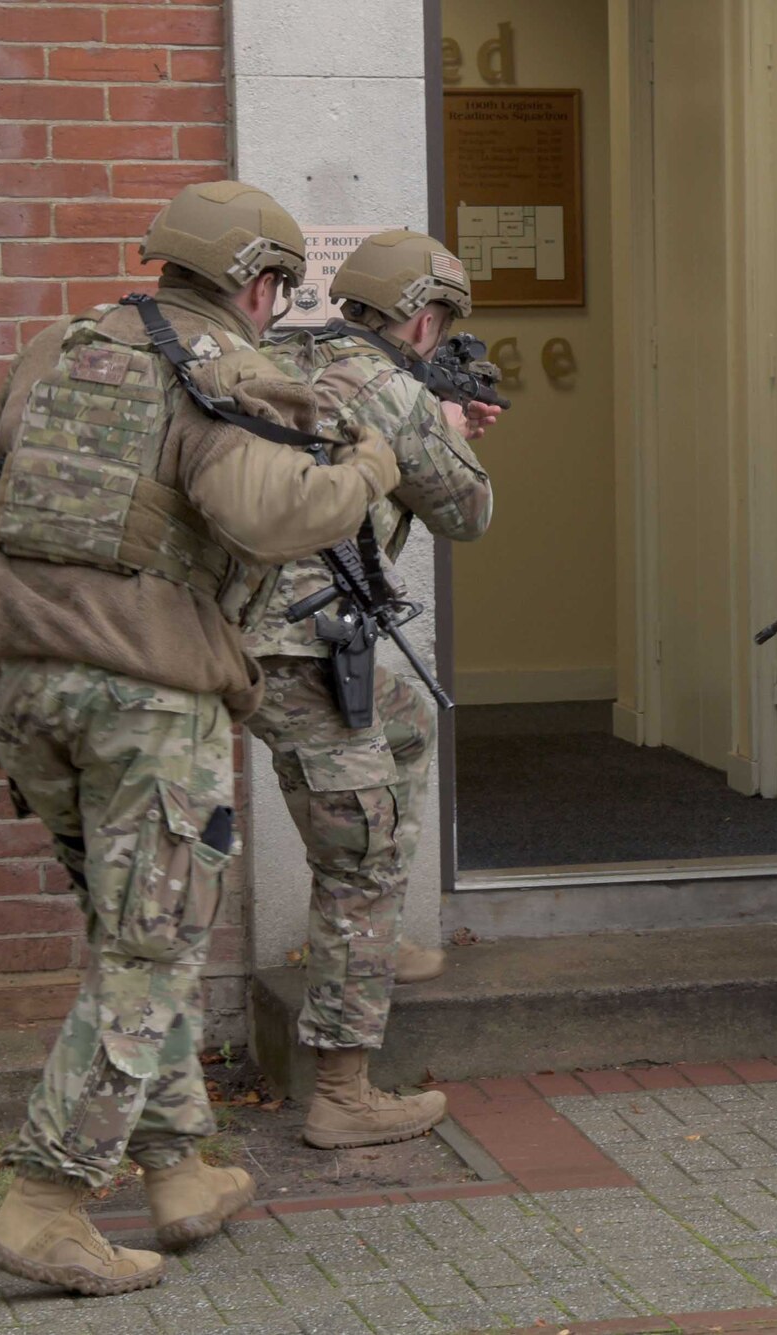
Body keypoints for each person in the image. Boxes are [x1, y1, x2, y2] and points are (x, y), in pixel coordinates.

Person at [0, 181, 403, 1295]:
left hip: (28, 688)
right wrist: (370, 469)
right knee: (151, 951)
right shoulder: (218, 372)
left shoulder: (54, 349)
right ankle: (48, 1200)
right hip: (145, 705)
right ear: (258, 284)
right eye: (278, 291)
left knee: (127, 933)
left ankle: (175, 1171)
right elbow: (272, 514)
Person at [252, 229, 500, 1150]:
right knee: (362, 853)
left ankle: (378, 939)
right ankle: (345, 1093)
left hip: (237, 639)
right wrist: (446, 433)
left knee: (403, 724)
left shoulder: (281, 353)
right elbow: (468, 514)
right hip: (302, 654)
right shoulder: (396, 391)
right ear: (426, 318)